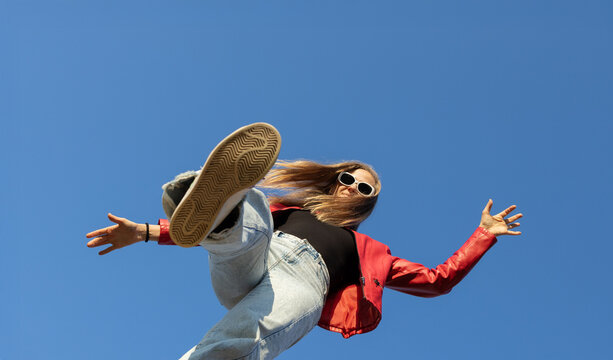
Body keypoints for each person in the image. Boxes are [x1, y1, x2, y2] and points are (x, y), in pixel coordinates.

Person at [86, 123, 522, 359]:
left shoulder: (373, 253)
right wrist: (143, 232)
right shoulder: (292, 212)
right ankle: (212, 208)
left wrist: (484, 234)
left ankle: (215, 208)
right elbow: (202, 240)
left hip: (302, 285)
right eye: (349, 178)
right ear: (336, 182)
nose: (353, 186)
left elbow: (437, 279)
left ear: (368, 203)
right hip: (254, 258)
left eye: (365, 188)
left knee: (243, 337)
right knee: (253, 203)